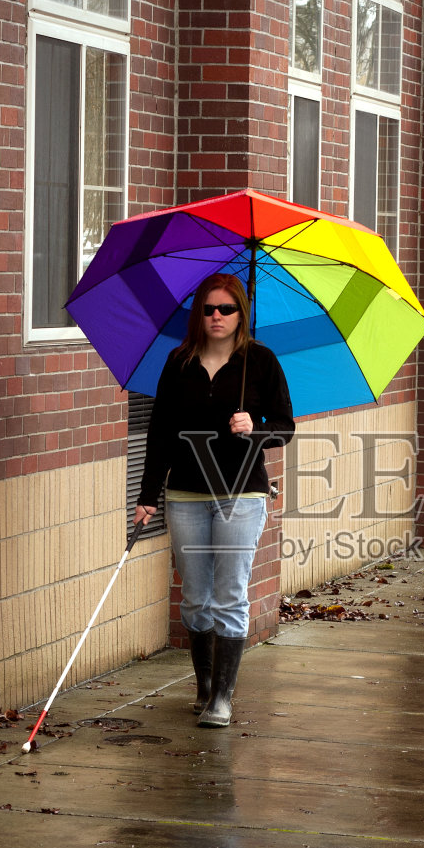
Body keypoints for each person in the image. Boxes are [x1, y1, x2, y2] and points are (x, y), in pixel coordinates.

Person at [134, 273, 294, 727]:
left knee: (229, 595)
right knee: (194, 597)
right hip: (186, 494)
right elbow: (160, 433)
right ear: (197, 315)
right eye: (208, 309)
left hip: (241, 493)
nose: (217, 317)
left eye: (226, 309)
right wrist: (147, 495)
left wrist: (255, 429)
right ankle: (204, 686)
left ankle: (223, 698)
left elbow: (285, 427)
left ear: (242, 313)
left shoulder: (260, 361)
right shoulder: (178, 363)